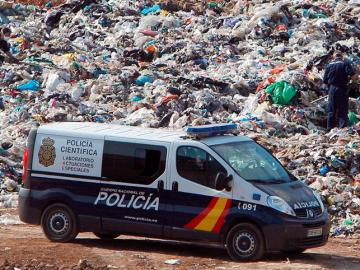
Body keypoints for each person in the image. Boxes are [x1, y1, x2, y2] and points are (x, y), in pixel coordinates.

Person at [323, 52, 356, 130]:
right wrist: (350, 82)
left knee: (331, 109)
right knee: (342, 109)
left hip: (332, 89)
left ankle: (329, 128)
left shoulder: (329, 65)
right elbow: (353, 75)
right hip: (342, 88)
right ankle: (342, 128)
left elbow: (324, 80)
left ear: (334, 57)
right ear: (342, 57)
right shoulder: (345, 63)